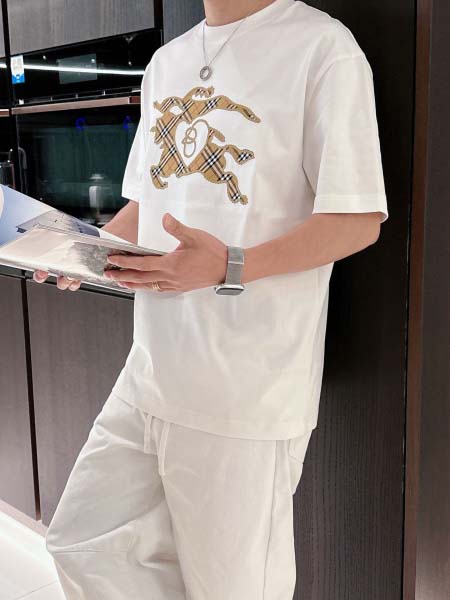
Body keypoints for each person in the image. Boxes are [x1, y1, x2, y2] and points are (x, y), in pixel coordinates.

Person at [35, 0, 389, 597]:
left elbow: (355, 220)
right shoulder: (167, 62)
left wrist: (229, 265)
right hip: (151, 368)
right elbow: (150, 201)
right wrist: (85, 251)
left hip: (246, 387)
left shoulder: (321, 47)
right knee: (83, 542)